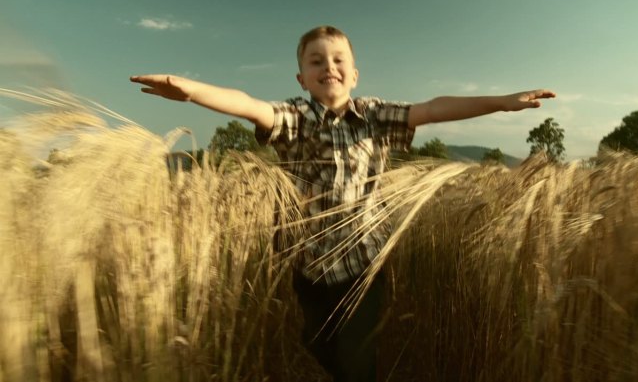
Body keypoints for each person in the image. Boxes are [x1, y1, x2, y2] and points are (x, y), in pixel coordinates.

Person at [130, 25, 555, 382]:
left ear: (354, 73)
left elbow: (433, 108)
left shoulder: (374, 115)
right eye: (315, 61)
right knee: (317, 343)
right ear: (301, 78)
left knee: (356, 363)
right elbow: (248, 105)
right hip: (309, 266)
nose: (328, 67)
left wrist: (501, 102)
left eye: (337, 60)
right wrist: (191, 91)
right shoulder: (292, 117)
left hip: (364, 266)